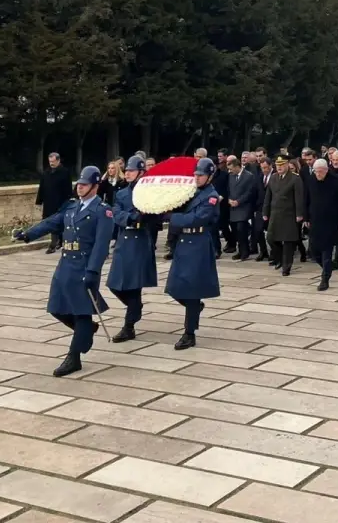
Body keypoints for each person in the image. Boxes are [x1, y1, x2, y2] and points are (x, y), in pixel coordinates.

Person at [13, 165, 113, 377]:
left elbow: (101, 245)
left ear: (95, 186)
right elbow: (51, 223)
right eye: (79, 184)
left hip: (85, 266)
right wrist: (27, 235)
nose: (80, 187)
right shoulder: (71, 207)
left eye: (85, 184)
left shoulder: (102, 211)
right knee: (57, 308)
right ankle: (85, 330)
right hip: (66, 264)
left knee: (82, 312)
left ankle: (73, 357)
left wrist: (93, 271)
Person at [165, 157, 221, 349]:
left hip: (198, 242)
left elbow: (197, 219)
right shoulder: (191, 191)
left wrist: (174, 218)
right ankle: (195, 308)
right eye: (195, 174)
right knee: (173, 286)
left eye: (201, 175)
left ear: (210, 176)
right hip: (184, 242)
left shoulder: (211, 196)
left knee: (191, 290)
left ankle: (189, 333)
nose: (197, 178)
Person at [105, 157, 154, 342]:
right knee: (114, 284)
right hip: (123, 239)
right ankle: (135, 308)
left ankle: (129, 326)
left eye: (132, 171)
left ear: (141, 173)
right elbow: (115, 212)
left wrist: (139, 217)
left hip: (139, 240)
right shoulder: (122, 193)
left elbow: (152, 215)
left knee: (133, 286)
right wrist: (131, 217)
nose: (127, 173)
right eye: (127, 170)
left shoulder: (149, 193)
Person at [305, 158, 338, 291]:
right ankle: (327, 267)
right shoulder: (311, 180)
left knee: (327, 252)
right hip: (315, 221)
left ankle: (325, 279)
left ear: (326, 170)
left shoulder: (337, 181)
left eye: (320, 172)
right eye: (315, 172)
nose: (318, 174)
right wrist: (306, 217)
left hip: (331, 222)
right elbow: (306, 199)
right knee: (314, 250)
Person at [262, 154, 305, 275]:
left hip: (289, 214)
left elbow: (299, 197)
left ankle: (286, 267)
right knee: (270, 238)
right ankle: (279, 258)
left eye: (282, 165)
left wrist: (299, 214)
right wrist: (265, 211)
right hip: (275, 214)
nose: (279, 167)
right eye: (277, 165)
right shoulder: (274, 177)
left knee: (288, 242)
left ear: (287, 165)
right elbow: (268, 196)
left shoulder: (295, 178)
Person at [35, 152, 73, 255]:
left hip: (60, 202)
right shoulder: (46, 172)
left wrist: (69, 201)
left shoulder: (64, 172)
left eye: (53, 161)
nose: (51, 163)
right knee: (50, 223)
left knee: (59, 223)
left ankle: (55, 243)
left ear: (58, 160)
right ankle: (55, 242)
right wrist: (39, 201)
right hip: (48, 202)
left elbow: (68, 189)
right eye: (50, 161)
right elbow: (41, 187)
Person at [227, 157, 260, 260]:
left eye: (232, 169)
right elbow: (228, 189)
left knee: (242, 230)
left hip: (244, 207)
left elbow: (250, 192)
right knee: (235, 231)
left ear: (237, 167)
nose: (230, 171)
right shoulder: (231, 176)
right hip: (233, 207)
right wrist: (229, 199)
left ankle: (245, 251)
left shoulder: (249, 176)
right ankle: (240, 250)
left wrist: (239, 201)